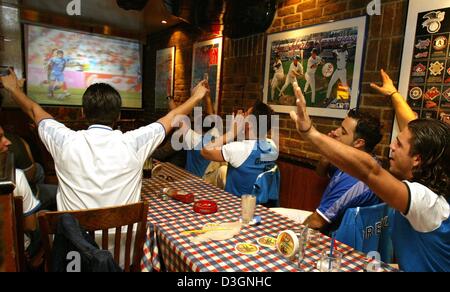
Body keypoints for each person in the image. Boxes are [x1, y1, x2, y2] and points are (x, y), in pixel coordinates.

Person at [290, 69, 450, 272]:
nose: (391, 146)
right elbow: (412, 125)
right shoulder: (433, 181)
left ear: (417, 159)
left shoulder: (427, 202)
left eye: (399, 144)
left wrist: (309, 132)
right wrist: (394, 95)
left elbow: (370, 171)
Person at [1, 68, 209, 211]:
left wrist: (13, 89)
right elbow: (171, 119)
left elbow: (34, 111)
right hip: (123, 254)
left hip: (75, 250)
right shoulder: (134, 142)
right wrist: (197, 96)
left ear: (83, 112)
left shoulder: (64, 140)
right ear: (118, 116)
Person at [303, 108, 383, 233]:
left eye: (343, 132)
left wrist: (291, 234)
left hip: (336, 239)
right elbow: (321, 173)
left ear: (358, 143)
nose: (335, 132)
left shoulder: (355, 178)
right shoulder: (354, 159)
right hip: (328, 224)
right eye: (340, 127)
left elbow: (317, 222)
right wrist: (327, 152)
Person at [201, 100, 279, 200]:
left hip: (236, 208)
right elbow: (252, 143)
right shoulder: (273, 146)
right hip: (260, 207)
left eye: (245, 115)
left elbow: (205, 151)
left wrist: (231, 133)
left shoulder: (239, 149)